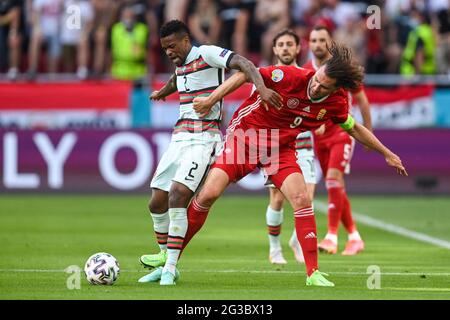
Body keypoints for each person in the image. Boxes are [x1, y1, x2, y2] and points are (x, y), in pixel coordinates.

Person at [143, 42, 408, 287]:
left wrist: (386, 153)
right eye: (316, 81)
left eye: (323, 87)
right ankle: (170, 262)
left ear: (336, 89)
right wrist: (212, 99)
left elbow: (354, 128)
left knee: (302, 199)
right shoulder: (290, 76)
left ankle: (313, 274)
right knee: (209, 194)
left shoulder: (335, 103)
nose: (316, 87)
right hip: (246, 137)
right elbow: (246, 73)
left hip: (280, 148)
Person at [138, 19, 282, 286]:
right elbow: (176, 79)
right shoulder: (180, 65)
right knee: (156, 201)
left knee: (179, 195)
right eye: (164, 49)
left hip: (204, 138)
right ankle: (163, 256)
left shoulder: (208, 53)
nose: (168, 53)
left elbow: (246, 64)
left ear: (185, 41)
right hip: (179, 138)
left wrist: (261, 89)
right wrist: (163, 92)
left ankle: (170, 268)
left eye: (172, 47)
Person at [304, 26, 372, 256]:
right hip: (319, 138)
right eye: (313, 40)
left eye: (322, 40)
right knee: (336, 187)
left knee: (333, 179)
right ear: (309, 43)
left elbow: (362, 100)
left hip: (342, 133)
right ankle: (354, 236)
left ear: (329, 42)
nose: (318, 44)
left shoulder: (341, 72)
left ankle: (331, 236)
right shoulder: (306, 70)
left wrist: (368, 134)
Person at [262, 28, 314, 265]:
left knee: (306, 199)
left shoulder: (309, 78)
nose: (285, 48)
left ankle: (296, 240)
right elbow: (257, 111)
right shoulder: (264, 77)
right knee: (278, 198)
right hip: (277, 147)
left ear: (297, 48)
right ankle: (274, 248)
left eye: (289, 44)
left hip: (304, 145)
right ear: (274, 49)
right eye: (280, 44)